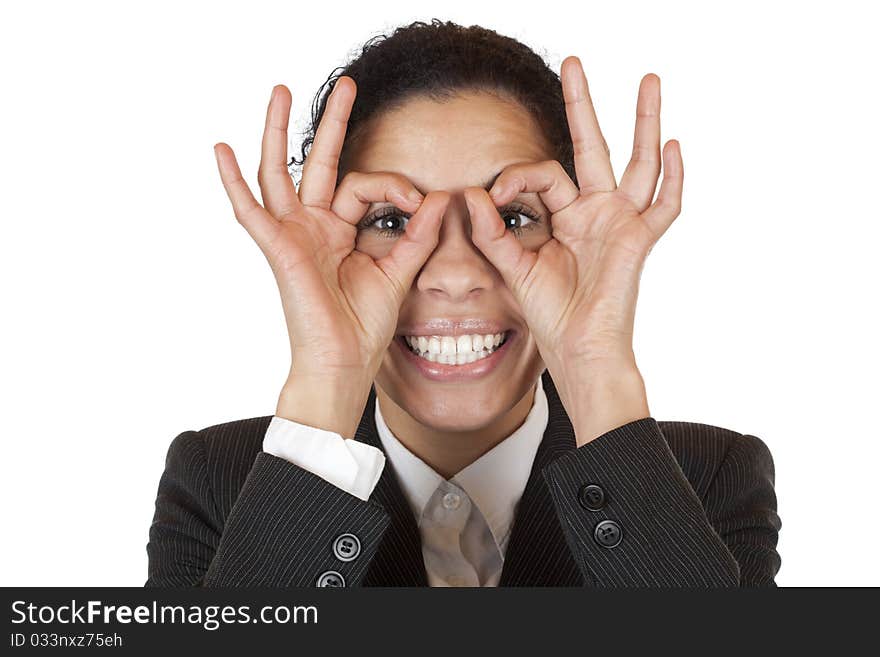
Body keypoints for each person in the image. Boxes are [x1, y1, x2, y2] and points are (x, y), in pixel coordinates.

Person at [146, 19, 781, 587]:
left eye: (511, 216)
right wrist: (324, 384)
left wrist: (596, 368)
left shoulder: (708, 480)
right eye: (392, 220)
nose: (454, 273)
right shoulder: (218, 483)